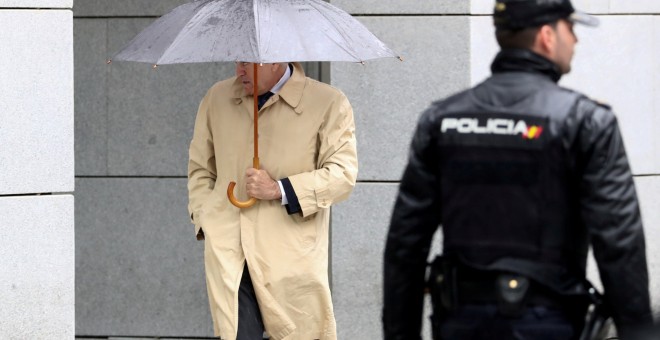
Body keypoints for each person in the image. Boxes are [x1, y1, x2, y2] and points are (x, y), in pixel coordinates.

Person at [382, 0, 654, 339]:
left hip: (460, 323)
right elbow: (618, 241)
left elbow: (405, 243)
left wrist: (399, 333)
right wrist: (639, 330)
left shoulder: (442, 119)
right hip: (550, 323)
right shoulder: (586, 121)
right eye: (570, 28)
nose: (576, 40)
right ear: (547, 36)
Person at [188, 61, 357, 340]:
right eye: (238, 61)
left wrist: (279, 188)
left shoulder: (328, 102)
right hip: (231, 249)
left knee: (302, 333)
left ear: (276, 59)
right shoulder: (217, 98)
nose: (239, 69)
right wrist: (206, 219)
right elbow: (200, 168)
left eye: (248, 62)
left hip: (290, 252)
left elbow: (342, 176)